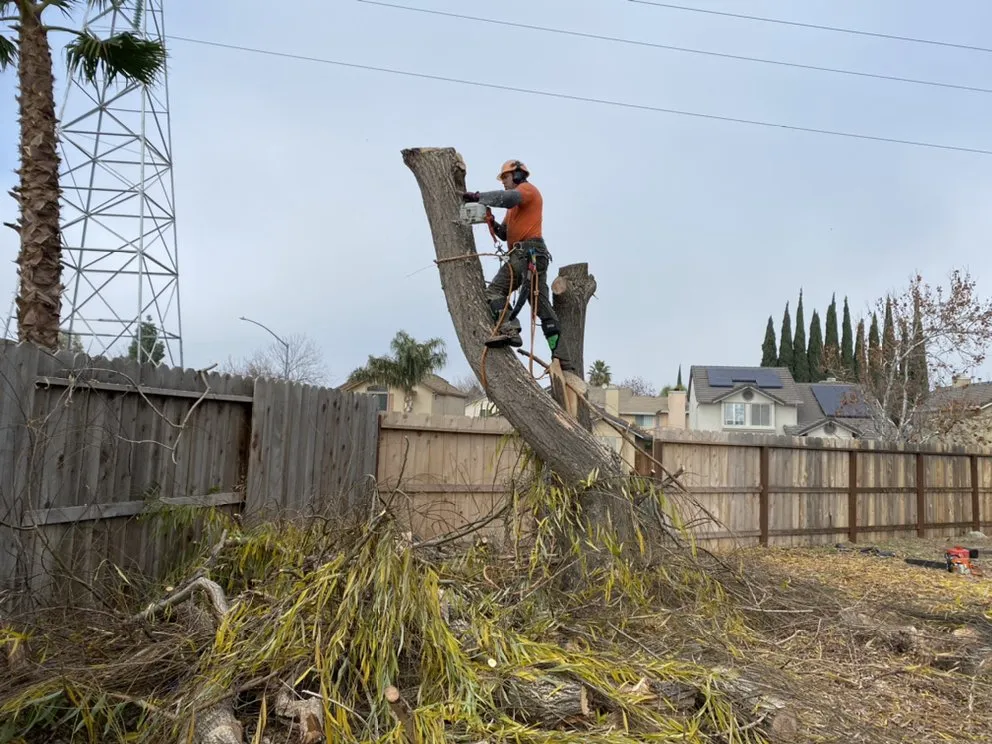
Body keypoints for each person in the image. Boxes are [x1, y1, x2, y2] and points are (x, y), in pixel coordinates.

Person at [462, 159, 574, 372]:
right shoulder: (513, 209)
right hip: (527, 254)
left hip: (527, 253)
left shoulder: (526, 190)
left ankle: (510, 329)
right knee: (540, 305)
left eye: (505, 177)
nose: (503, 181)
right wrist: (490, 220)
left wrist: (479, 197)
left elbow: (508, 198)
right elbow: (504, 234)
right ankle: (563, 359)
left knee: (494, 291)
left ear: (518, 174)